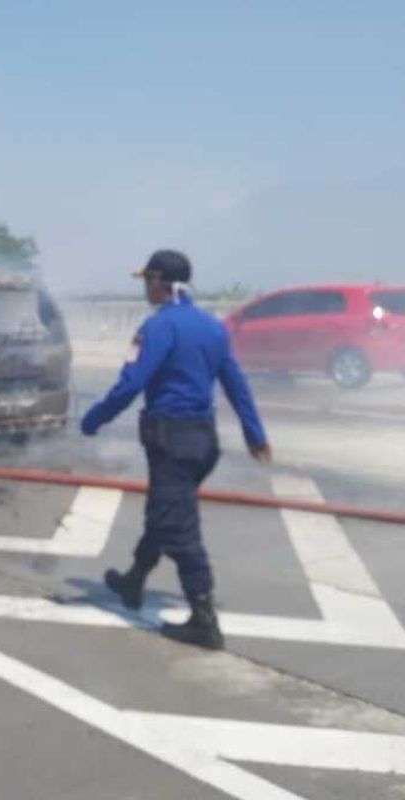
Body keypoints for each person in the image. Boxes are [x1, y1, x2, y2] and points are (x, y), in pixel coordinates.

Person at [81, 249, 272, 650]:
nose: (143, 289)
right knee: (165, 511)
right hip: (204, 442)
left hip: (172, 441)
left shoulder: (158, 327)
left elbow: (131, 384)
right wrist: (255, 434)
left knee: (178, 527)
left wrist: (94, 418)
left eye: (146, 281)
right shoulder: (212, 328)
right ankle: (133, 581)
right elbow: (236, 383)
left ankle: (204, 620)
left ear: (160, 281)